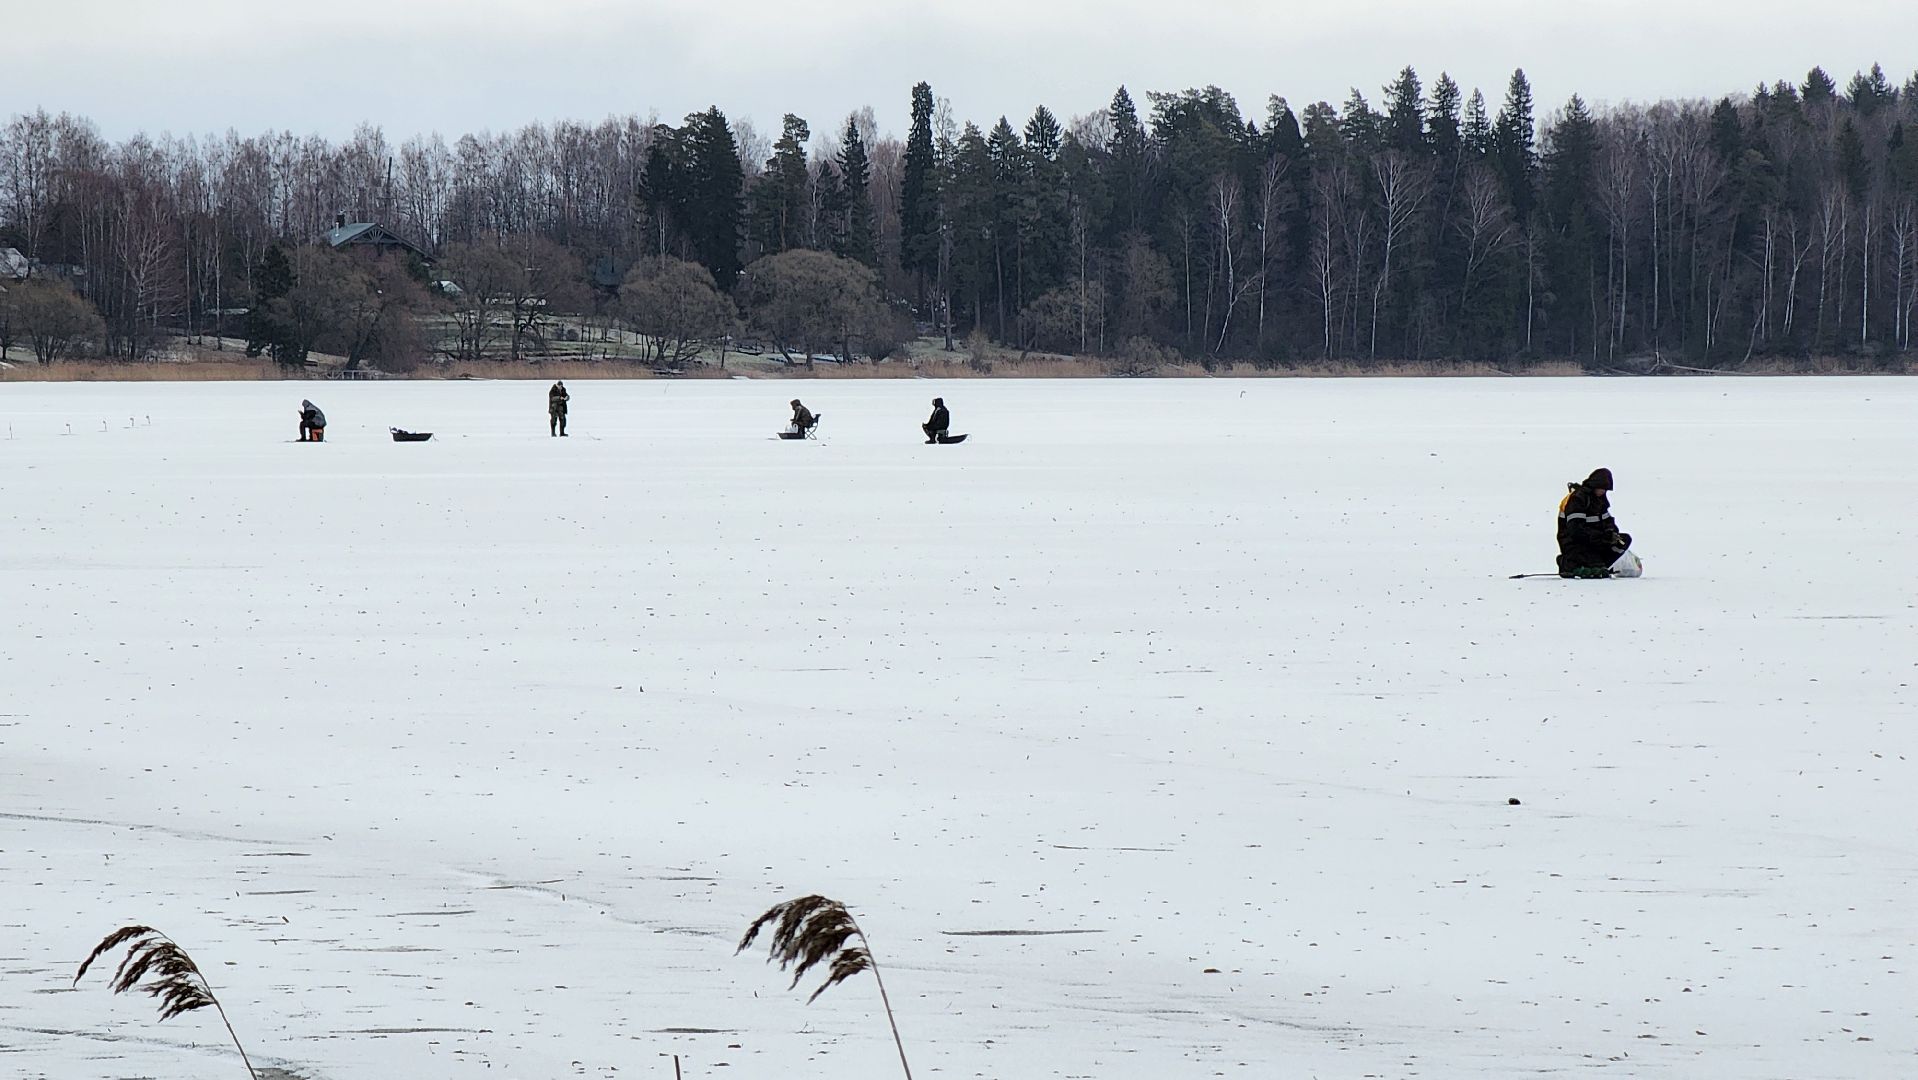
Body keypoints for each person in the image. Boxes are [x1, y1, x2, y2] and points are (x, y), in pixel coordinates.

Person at [1557, 468, 1633, 578]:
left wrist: (1611, 533)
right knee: (1589, 556)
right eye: (1601, 488)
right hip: (1575, 544)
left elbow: (1608, 521)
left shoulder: (1600, 501)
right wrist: (1599, 536)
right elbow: (1575, 530)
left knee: (1624, 540)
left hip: (1595, 542)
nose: (1603, 492)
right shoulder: (1578, 499)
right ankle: (1569, 563)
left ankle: (1600, 564)